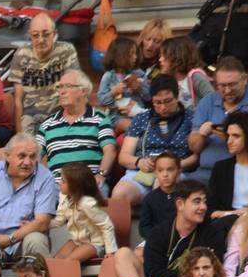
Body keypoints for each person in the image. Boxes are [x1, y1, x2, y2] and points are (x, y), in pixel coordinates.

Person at [113, 75, 199, 207]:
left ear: (177, 97)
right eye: (158, 103)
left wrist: (175, 166)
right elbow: (124, 156)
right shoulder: (142, 119)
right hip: (143, 172)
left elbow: (197, 156)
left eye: (168, 101)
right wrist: (139, 162)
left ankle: (158, 226)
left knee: (162, 186)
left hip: (176, 171)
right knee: (119, 195)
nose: (163, 107)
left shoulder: (191, 118)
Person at [0, 134, 58, 261]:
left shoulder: (45, 177)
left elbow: (42, 222)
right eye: (22, 156)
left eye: (32, 157)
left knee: (36, 240)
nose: (28, 162)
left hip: (23, 238)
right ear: (7, 156)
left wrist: (10, 239)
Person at [37, 70, 118, 180]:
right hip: (56, 185)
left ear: (83, 91)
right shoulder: (47, 123)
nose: (61, 92)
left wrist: (101, 174)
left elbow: (110, 151)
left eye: (68, 86)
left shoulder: (100, 119)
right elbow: (35, 154)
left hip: (89, 183)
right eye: (60, 87)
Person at [11, 14, 81, 135]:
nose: (41, 39)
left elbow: (75, 87)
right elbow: (17, 99)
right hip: (30, 113)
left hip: (60, 110)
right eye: (35, 35)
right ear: (30, 36)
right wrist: (20, 135)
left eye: (46, 34)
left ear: (54, 34)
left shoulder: (66, 50)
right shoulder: (21, 55)